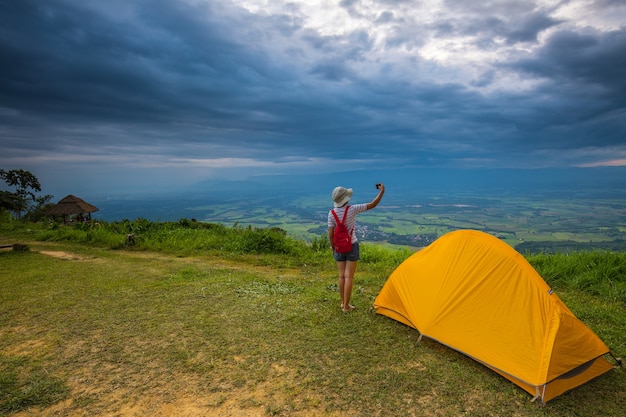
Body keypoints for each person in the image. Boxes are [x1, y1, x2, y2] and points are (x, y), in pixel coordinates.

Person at [328, 183, 385, 312]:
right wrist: (381, 192)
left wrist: (333, 248)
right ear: (346, 199)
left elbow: (331, 234)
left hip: (338, 247)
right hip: (351, 245)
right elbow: (372, 204)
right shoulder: (352, 209)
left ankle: (343, 303)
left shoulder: (331, 214)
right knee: (349, 277)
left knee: (341, 276)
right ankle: (347, 306)